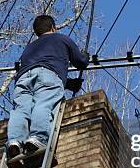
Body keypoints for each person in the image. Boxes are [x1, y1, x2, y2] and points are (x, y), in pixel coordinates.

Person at [6, 15, 89, 159]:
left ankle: (14, 141)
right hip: (48, 75)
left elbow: (38, 68)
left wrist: (69, 84)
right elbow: (80, 62)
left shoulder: (30, 47)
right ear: (53, 27)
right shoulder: (61, 39)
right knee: (43, 104)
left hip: (23, 78)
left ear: (37, 32)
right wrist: (85, 56)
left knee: (20, 110)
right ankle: (37, 138)